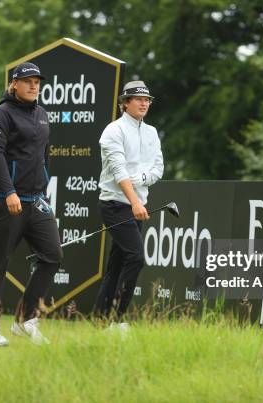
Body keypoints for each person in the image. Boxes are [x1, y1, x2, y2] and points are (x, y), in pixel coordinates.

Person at [0, 62, 62, 346]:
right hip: (6, 200)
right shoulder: (1, 113)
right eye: (27, 81)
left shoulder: (42, 115)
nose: (34, 85)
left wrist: (43, 187)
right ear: (15, 84)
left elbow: (44, 156)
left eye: (37, 81)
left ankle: (25, 319)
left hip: (35, 200)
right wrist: (9, 191)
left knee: (52, 255)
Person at [94, 80, 164, 326]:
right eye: (138, 99)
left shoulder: (152, 132)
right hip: (115, 204)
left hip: (138, 205)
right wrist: (135, 201)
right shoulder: (113, 131)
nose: (144, 103)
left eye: (147, 100)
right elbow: (118, 171)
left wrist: (141, 179)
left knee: (118, 263)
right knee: (135, 258)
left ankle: (100, 318)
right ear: (125, 103)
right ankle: (117, 320)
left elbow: (158, 169)